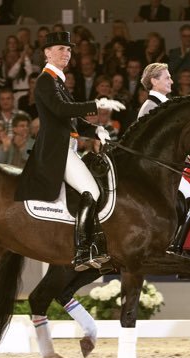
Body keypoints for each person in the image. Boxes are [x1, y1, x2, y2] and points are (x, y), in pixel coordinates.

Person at [14, 31, 125, 271]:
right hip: (57, 150)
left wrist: (97, 130)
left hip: (70, 147)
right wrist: (97, 104)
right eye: (61, 49)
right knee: (91, 191)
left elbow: (73, 119)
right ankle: (83, 250)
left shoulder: (58, 81)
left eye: (69, 50)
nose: (67, 53)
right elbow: (61, 109)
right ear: (47, 53)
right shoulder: (45, 80)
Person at [138, 63, 190, 254]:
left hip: (171, 167)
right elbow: (150, 145)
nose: (172, 81)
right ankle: (176, 247)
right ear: (154, 81)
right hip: (158, 169)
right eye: (167, 77)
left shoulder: (165, 105)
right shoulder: (150, 107)